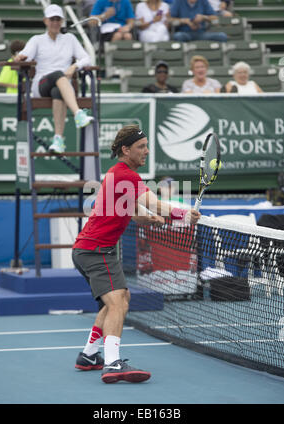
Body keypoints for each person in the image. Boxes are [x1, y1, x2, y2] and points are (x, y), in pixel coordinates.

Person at [72, 124, 201, 383]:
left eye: (146, 146)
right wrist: (183, 214)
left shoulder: (115, 174)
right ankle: (112, 363)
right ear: (125, 149)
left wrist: (151, 220)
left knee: (119, 299)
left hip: (90, 250)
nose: (146, 151)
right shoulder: (126, 175)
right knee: (117, 302)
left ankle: (89, 355)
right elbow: (154, 202)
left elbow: (132, 211)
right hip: (96, 252)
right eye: (141, 147)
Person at [14, 4, 93, 154]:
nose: (55, 22)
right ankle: (77, 113)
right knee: (58, 74)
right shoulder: (37, 40)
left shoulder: (70, 38)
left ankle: (58, 139)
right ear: (45, 21)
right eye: (52, 19)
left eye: (58, 19)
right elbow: (25, 56)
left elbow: (86, 58)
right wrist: (20, 57)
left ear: (62, 21)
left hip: (62, 88)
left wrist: (74, 67)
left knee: (58, 91)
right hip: (41, 86)